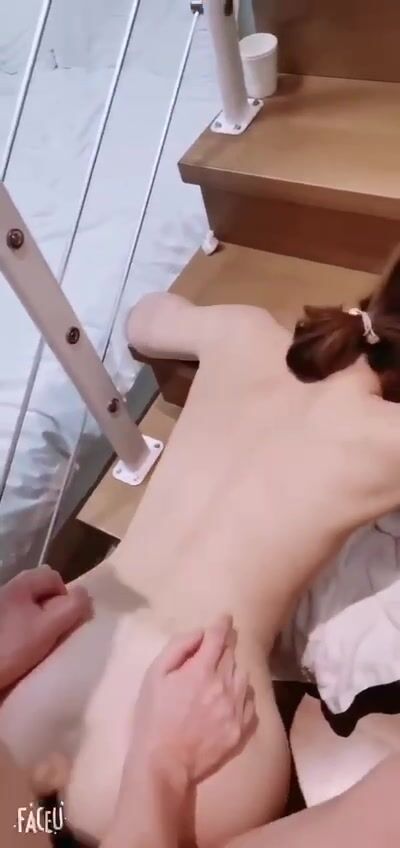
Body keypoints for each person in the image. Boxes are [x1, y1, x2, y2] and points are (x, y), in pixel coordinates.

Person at [3, 250, 400, 846]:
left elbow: (142, 319)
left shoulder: (244, 333)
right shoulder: (388, 439)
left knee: (31, 825)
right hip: (202, 692)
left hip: (56, 668)